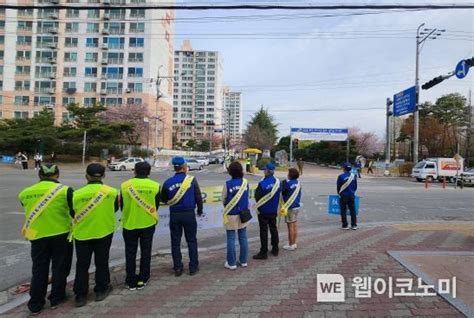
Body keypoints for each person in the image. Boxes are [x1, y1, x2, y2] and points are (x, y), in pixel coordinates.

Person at [18, 164, 74, 315]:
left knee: (39, 269)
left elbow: (25, 206)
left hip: (37, 236)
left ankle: (35, 303)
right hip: (61, 235)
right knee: (60, 267)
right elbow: (74, 211)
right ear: (57, 175)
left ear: (39, 176)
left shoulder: (25, 193)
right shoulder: (65, 190)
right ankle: (57, 297)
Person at [70, 163, 118, 307]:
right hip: (104, 231)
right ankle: (101, 290)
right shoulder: (112, 192)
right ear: (103, 176)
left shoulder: (76, 194)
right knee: (102, 261)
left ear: (86, 176)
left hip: (82, 234)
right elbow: (115, 209)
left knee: (82, 264)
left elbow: (73, 213)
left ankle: (80, 295)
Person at [120, 162, 160, 290]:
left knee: (130, 252)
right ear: (149, 172)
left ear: (134, 171)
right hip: (148, 223)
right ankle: (143, 278)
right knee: (146, 251)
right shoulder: (155, 186)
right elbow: (156, 206)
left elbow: (122, 206)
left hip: (129, 224)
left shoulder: (125, 186)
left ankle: (130, 280)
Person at [161, 156, 203, 276]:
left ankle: (178, 268)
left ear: (174, 167)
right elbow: (198, 197)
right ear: (184, 167)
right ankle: (193, 267)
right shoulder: (192, 180)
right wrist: (200, 210)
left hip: (175, 215)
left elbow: (164, 199)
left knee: (175, 242)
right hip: (189, 214)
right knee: (191, 241)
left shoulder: (168, 182)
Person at [221, 161, 249, 270]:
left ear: (230, 172)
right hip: (243, 213)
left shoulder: (228, 184)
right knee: (243, 237)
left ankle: (231, 263)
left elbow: (223, 199)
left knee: (231, 238)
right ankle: (243, 261)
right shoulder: (245, 182)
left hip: (231, 214)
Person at [253, 162, 281, 260]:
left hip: (263, 211)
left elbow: (257, 196)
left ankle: (263, 252)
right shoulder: (278, 182)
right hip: (273, 210)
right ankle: (275, 249)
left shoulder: (262, 183)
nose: (263, 171)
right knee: (274, 229)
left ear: (268, 171)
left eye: (265, 170)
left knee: (263, 231)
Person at [281, 168, 302, 251]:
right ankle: (294, 243)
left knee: (290, 226)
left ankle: (291, 244)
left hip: (290, 207)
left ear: (290, 175)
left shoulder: (287, 184)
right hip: (296, 206)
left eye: (288, 173)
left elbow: (282, 192)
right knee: (295, 225)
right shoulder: (298, 183)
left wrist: (284, 183)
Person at [337, 162, 358, 230]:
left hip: (344, 195)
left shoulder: (341, 176)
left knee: (343, 210)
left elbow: (338, 187)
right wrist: (352, 192)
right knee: (352, 210)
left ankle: (345, 225)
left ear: (344, 169)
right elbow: (355, 187)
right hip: (351, 195)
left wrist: (339, 193)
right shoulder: (354, 176)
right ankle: (354, 225)